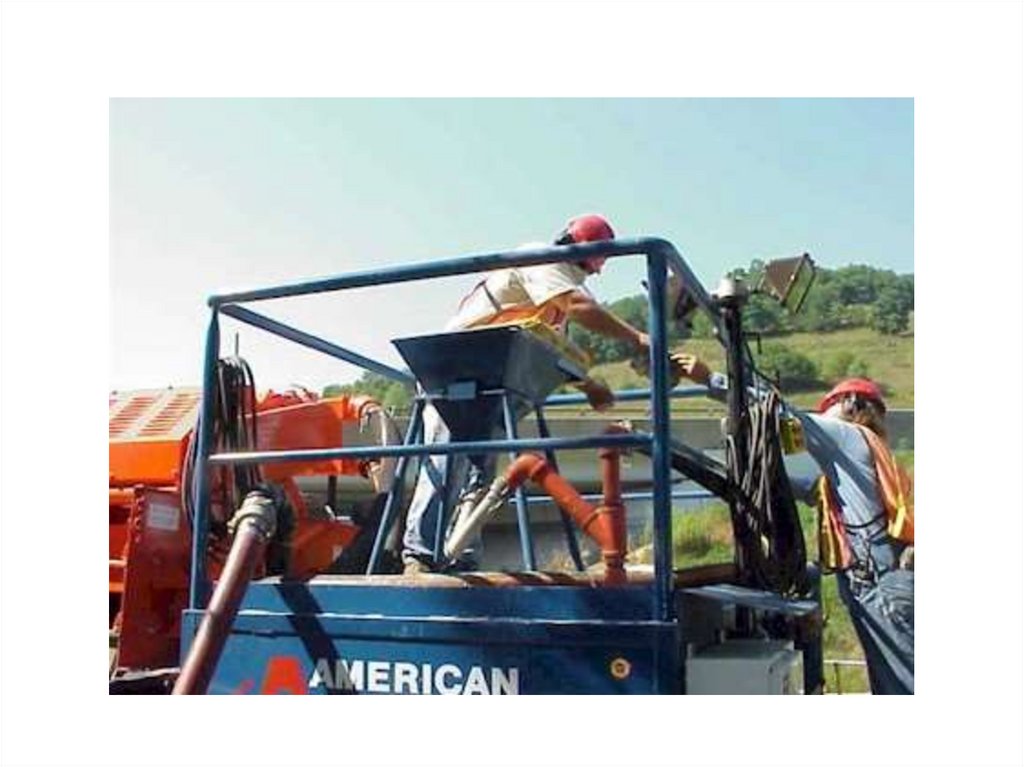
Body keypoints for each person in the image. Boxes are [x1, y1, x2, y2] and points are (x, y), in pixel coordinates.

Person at [401, 214, 651, 574]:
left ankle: (461, 557)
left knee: (479, 470)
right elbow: (579, 307)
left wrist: (589, 385)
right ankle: (420, 555)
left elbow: (556, 350)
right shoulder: (542, 259)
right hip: (454, 360)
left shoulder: (557, 291)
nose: (595, 273)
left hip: (491, 370)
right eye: (597, 262)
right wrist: (638, 338)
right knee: (447, 459)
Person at [674, 355, 914, 694]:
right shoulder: (856, 466)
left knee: (903, 685)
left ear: (850, 403)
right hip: (878, 581)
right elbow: (790, 486)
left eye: (827, 408)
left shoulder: (849, 436)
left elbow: (782, 412)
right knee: (891, 681)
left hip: (877, 581)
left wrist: (709, 379)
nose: (822, 416)